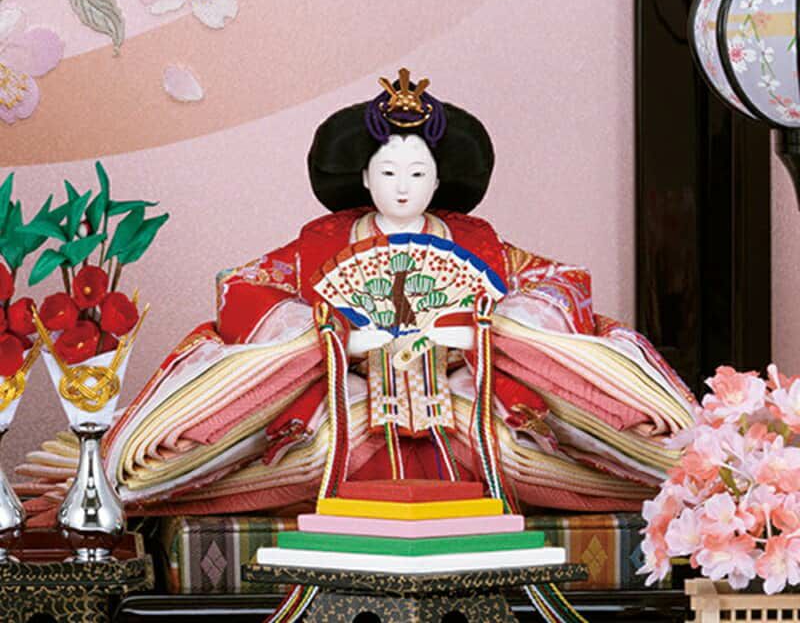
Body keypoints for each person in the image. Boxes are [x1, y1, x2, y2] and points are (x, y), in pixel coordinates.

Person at [18, 69, 695, 524]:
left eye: (418, 172)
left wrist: (487, 334)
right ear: (363, 178)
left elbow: (561, 282)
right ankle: (110, 472)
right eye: (388, 171)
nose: (403, 186)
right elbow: (245, 288)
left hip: (466, 410)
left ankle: (702, 475)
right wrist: (331, 339)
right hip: (347, 415)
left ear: (440, 180)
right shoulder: (321, 245)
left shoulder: (479, 245)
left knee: (530, 436)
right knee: (289, 437)